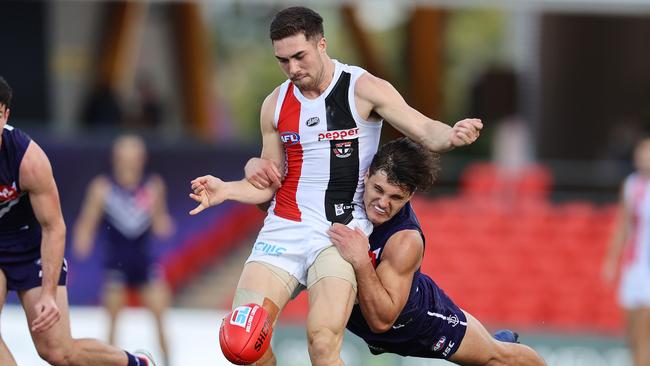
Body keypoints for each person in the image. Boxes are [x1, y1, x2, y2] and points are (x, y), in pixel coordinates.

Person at [190, 6, 482, 366]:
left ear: (322, 44)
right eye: (283, 61)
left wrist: (451, 135)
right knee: (242, 341)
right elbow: (268, 181)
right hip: (284, 230)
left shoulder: (363, 89)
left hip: (339, 234)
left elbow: (425, 130)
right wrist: (227, 190)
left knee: (322, 343)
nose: (293, 69)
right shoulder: (275, 105)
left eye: (300, 56)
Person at [327, 138, 547, 365]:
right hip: (364, 322)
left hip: (417, 323)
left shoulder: (406, 240)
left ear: (410, 195)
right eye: (378, 190)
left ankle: (501, 342)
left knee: (496, 356)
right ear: (366, 176)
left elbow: (382, 321)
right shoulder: (339, 191)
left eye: (395, 197)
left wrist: (361, 261)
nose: (382, 203)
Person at [0, 77, 156, 365]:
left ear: (6, 115)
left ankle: (135, 363)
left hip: (30, 247)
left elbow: (54, 226)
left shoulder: (28, 159)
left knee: (58, 352)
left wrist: (48, 293)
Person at [73, 134, 173, 366]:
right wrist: (82, 242)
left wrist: (165, 225)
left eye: (133, 158)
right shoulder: (103, 188)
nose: (128, 163)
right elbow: (87, 221)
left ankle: (169, 361)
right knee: (113, 324)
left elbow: (160, 223)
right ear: (115, 159)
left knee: (161, 319)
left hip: (145, 262)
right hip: (115, 263)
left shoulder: (152, 186)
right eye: (123, 158)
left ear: (142, 159)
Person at [602, 136, 650, 366]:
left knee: (644, 333)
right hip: (634, 267)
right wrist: (612, 260)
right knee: (631, 332)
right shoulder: (632, 185)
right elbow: (623, 225)